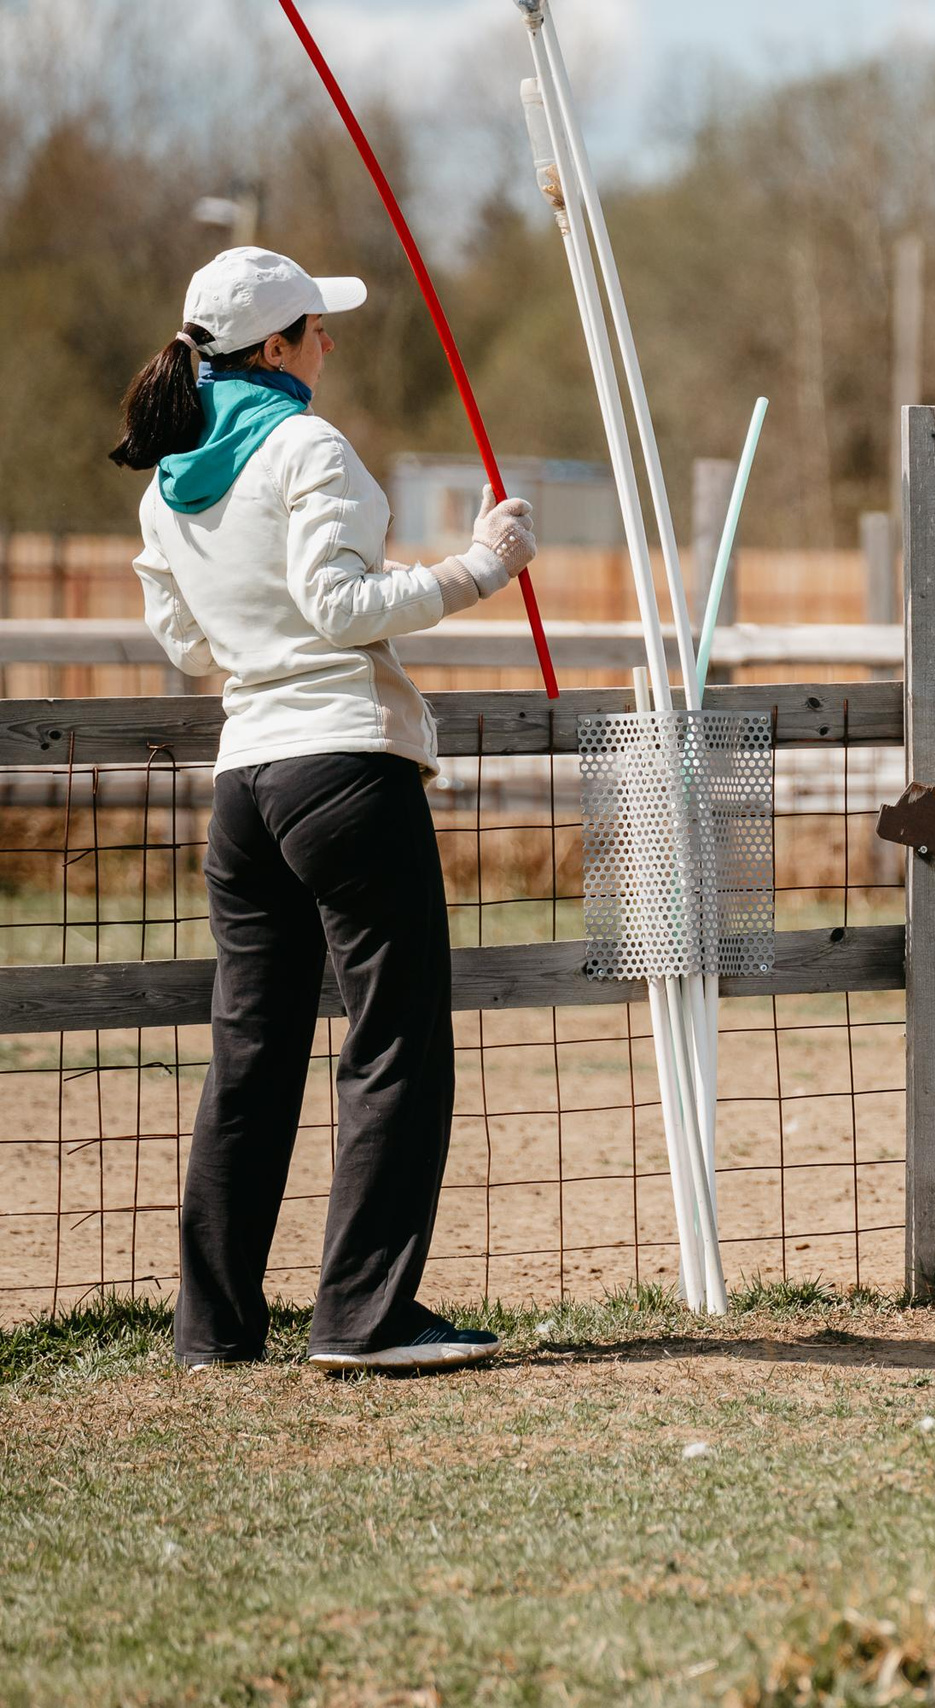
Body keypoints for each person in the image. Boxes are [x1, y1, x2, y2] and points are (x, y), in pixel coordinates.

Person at [114, 247, 538, 1373]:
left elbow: (187, 642)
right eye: (314, 326)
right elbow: (343, 606)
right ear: (273, 349)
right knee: (396, 1040)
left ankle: (213, 1330)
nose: (329, 342)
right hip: (345, 769)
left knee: (250, 1055)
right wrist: (480, 566)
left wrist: (263, 645)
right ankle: (363, 1318)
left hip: (245, 788)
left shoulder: (167, 478)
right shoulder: (309, 446)